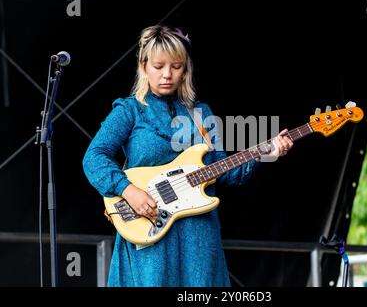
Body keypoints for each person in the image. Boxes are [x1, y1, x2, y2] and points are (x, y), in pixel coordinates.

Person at [82, 25, 293, 287]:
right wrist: (128, 191)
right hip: (150, 228)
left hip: (198, 238)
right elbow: (94, 158)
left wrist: (266, 153)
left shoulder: (202, 114)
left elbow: (223, 171)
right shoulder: (130, 111)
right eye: (158, 66)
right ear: (143, 66)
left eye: (176, 66)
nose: (167, 74)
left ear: (186, 69)